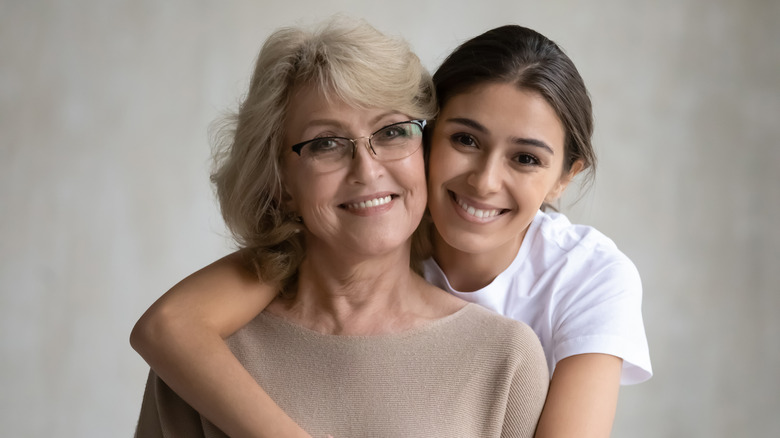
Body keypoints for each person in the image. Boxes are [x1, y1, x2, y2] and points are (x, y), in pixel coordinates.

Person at [132, 23, 652, 438]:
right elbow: (172, 324)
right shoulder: (203, 360)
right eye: (325, 143)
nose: (368, 169)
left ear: (565, 178)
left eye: (391, 132)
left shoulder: (527, 338)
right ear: (280, 181)